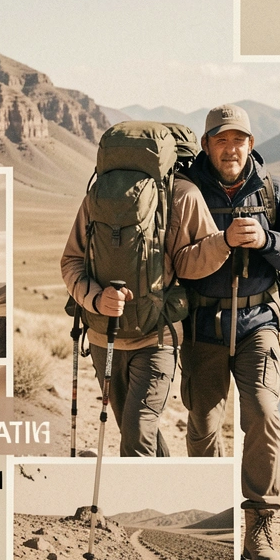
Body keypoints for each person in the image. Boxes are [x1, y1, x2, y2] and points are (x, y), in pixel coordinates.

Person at [179, 104, 280, 560]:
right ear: (206, 145)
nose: (231, 148)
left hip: (258, 322)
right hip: (202, 325)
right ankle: (213, 521)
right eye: (221, 140)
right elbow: (173, 258)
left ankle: (260, 529)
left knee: (261, 413)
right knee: (202, 424)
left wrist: (267, 241)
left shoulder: (276, 192)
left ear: (251, 144)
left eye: (239, 140)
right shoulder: (186, 190)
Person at [61, 169, 229, 457]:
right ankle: (165, 491)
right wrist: (98, 299)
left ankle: (142, 502)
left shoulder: (180, 195)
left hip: (155, 339)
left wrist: (223, 242)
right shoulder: (102, 195)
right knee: (134, 430)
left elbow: (71, 262)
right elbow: (73, 259)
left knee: (138, 431)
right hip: (105, 334)